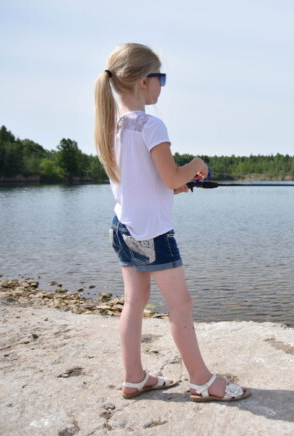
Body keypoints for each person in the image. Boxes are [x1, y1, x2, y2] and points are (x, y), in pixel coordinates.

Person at [93, 43, 250, 402]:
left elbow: (144, 182)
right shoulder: (151, 125)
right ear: (143, 82)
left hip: (122, 227)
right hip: (153, 233)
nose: (162, 85)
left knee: (134, 301)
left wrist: (174, 187)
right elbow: (169, 176)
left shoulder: (111, 126)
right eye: (160, 77)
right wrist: (196, 165)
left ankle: (134, 377)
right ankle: (202, 381)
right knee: (181, 305)